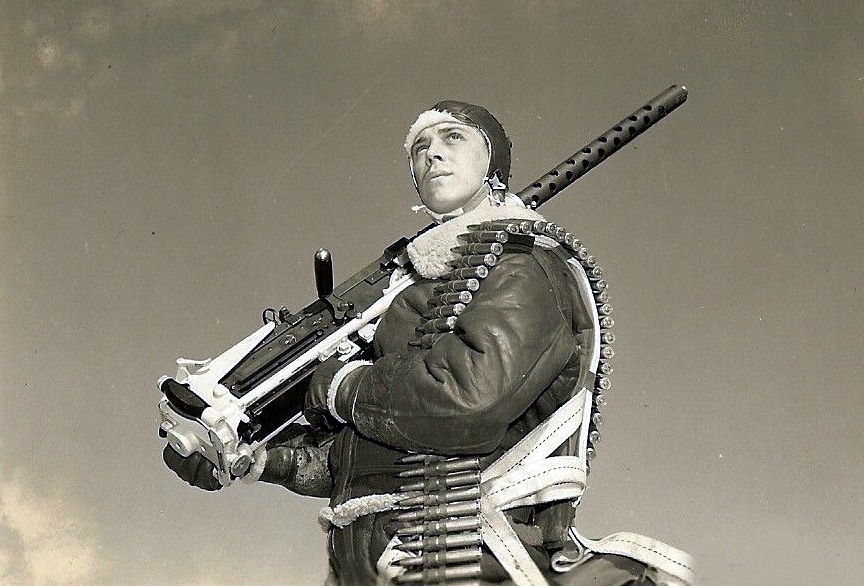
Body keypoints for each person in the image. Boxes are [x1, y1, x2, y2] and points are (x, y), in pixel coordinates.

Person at [164, 101, 693, 586]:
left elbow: (463, 401)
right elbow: (365, 459)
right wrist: (253, 459)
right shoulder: (409, 295)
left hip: (473, 553)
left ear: (494, 164)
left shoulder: (523, 266)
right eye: (419, 148)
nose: (432, 152)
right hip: (371, 564)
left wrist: (341, 384)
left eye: (453, 137)